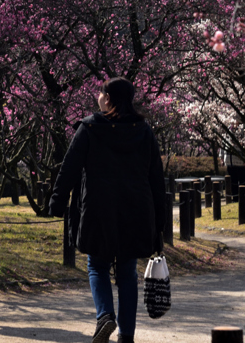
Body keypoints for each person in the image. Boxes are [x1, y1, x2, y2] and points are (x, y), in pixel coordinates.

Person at [48, 77, 167, 343]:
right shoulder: (144, 130)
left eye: (101, 93)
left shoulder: (91, 128)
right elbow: (156, 178)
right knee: (126, 272)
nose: (98, 97)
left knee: (97, 266)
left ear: (109, 98)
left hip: (98, 208)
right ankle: (126, 336)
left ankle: (105, 316)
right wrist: (160, 220)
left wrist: (57, 202)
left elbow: (69, 167)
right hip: (136, 209)